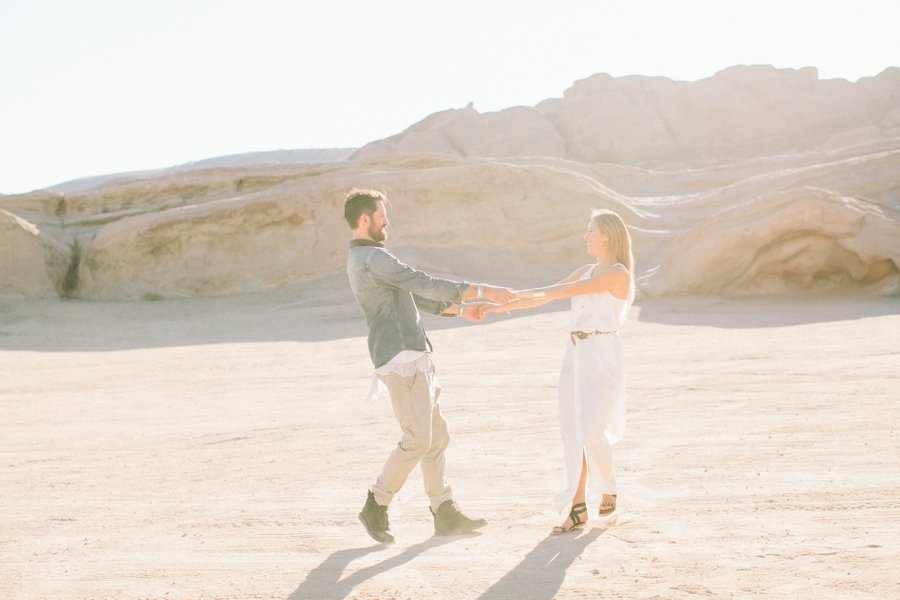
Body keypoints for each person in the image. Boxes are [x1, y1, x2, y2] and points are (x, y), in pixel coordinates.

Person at [344, 188, 515, 544]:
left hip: (414, 356)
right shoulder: (372, 258)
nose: (386, 221)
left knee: (437, 438)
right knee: (418, 439)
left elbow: (414, 296)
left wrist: (462, 309)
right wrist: (482, 289)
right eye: (380, 215)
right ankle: (376, 502)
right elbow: (422, 282)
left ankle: (444, 511)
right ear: (364, 220)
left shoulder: (371, 260)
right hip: (402, 360)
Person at [485, 209, 635, 535]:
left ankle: (608, 486)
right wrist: (500, 305)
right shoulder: (587, 271)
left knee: (592, 430)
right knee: (572, 430)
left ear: (607, 235)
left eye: (591, 230)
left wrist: (533, 294)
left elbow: (561, 292)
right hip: (575, 354)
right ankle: (577, 505)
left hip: (603, 355)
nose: (587, 236)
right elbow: (545, 294)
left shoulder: (618, 274)